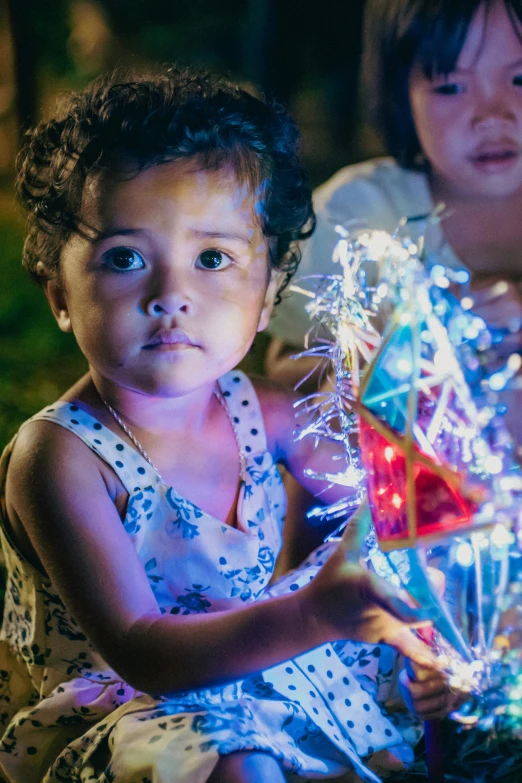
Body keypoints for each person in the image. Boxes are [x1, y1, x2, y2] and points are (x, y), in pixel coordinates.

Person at [0, 66, 449, 783]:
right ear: (59, 293)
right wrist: (317, 614)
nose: (171, 295)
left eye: (213, 257)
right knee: (237, 763)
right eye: (125, 258)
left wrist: (399, 413)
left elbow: (377, 504)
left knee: (423, 652)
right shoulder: (60, 458)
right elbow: (144, 648)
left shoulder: (266, 408)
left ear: (269, 293)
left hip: (260, 657)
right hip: (135, 709)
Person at [265, 0, 522, 453]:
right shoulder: (358, 216)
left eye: (520, 79)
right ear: (401, 93)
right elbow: (285, 369)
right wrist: (398, 340)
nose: (491, 115)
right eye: (451, 88)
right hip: (409, 503)